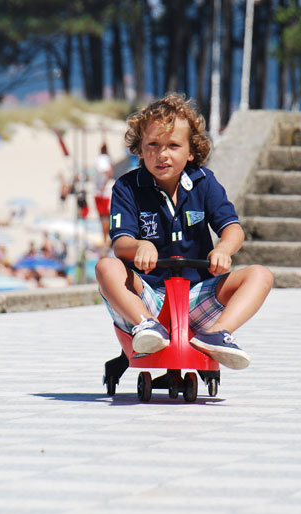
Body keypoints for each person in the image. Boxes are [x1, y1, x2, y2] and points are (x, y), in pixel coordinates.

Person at [95, 93, 274, 370]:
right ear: (140, 149)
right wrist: (140, 246)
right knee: (106, 267)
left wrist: (223, 249)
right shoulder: (128, 187)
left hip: (196, 295)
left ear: (191, 151)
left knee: (261, 275)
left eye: (173, 145)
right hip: (148, 296)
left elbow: (232, 228)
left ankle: (216, 333)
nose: (162, 154)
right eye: (153, 145)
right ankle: (146, 326)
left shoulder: (204, 182)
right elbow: (121, 243)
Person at [93, 144, 115, 244]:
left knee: (104, 217)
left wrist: (103, 185)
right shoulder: (108, 158)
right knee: (106, 217)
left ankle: (105, 239)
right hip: (104, 191)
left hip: (102, 192)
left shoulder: (102, 159)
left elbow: (108, 172)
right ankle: (106, 238)